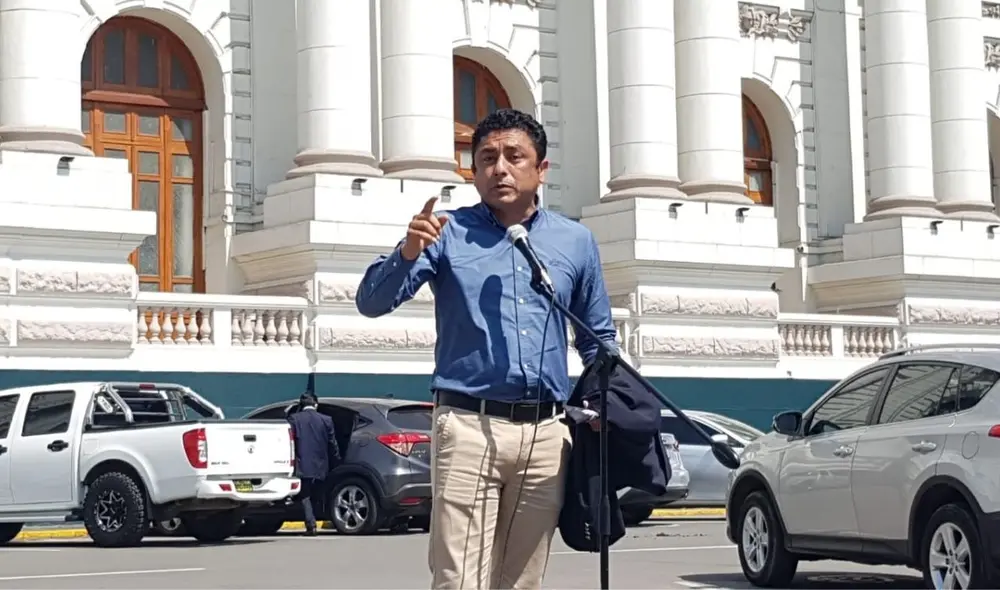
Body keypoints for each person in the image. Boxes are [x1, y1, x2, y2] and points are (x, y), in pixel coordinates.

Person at [355, 109, 617, 589]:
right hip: (469, 426)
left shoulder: (575, 242)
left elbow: (599, 339)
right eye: (487, 158)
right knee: (459, 580)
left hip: (545, 433)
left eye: (514, 156)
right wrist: (408, 252)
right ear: (472, 173)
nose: (500, 168)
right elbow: (371, 302)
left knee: (522, 581)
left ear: (541, 170)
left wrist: (605, 405)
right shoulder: (446, 232)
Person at [287, 392, 340, 536]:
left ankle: (311, 524)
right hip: (321, 464)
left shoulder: (294, 419)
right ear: (315, 404)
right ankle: (319, 518)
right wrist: (337, 460)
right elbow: (332, 443)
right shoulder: (326, 420)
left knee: (305, 495)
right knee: (317, 494)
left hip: (302, 463)